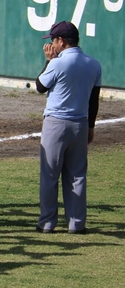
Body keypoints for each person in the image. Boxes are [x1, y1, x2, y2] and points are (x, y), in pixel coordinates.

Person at [35, 20, 102, 234]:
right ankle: (76, 224)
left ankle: (47, 223)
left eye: (53, 41)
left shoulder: (57, 63)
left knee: (50, 175)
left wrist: (48, 61)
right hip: (80, 124)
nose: (51, 46)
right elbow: (94, 100)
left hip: (55, 124)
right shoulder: (94, 64)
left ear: (61, 41)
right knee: (77, 175)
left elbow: (39, 86)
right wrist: (90, 126)